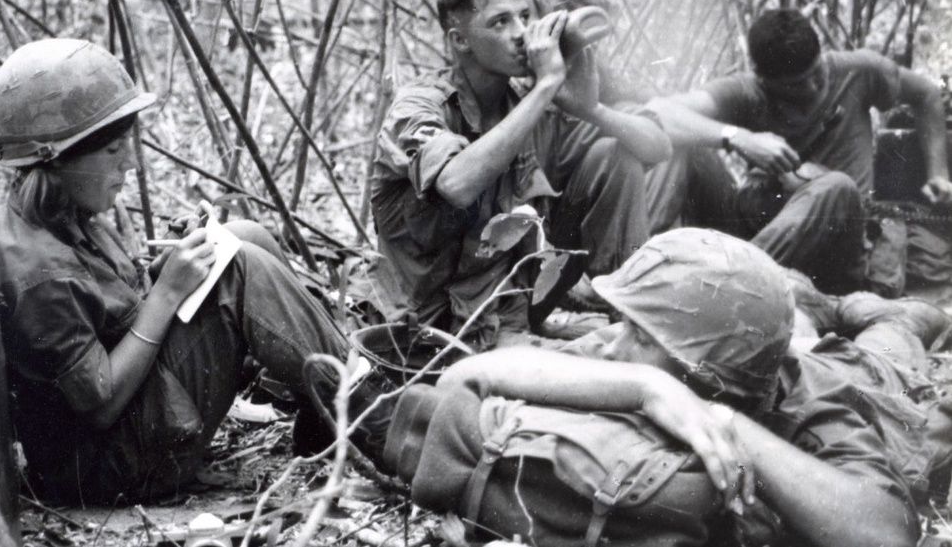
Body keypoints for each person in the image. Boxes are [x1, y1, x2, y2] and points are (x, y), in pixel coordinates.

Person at [363, 228, 949, 546]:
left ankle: (888, 308)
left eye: (637, 335)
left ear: (703, 375)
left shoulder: (823, 406)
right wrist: (645, 385)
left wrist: (729, 426)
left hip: (875, 374)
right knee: (796, 312)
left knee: (896, 330)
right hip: (763, 349)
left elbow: (884, 532)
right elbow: (467, 374)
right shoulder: (641, 355)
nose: (611, 342)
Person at [0, 38, 359, 504]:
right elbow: (100, 405)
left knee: (243, 235)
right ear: (53, 159)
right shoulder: (38, 273)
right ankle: (372, 418)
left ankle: (329, 405)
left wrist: (166, 271)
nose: (130, 163)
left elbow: (110, 312)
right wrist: (165, 295)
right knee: (240, 268)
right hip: (108, 467)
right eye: (113, 151)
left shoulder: (60, 212)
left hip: (129, 427)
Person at [371, 0, 671, 349]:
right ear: (460, 40)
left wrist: (590, 109)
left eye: (525, 17)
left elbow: (657, 148)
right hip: (425, 328)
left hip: (510, 313)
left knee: (616, 157)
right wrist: (544, 86)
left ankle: (632, 321)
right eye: (500, 22)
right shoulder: (419, 104)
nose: (521, 33)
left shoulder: (530, 106)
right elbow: (456, 185)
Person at [646, 8, 952, 294]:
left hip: (835, 250)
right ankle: (638, 273)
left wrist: (938, 172)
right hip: (762, 234)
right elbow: (658, 112)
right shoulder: (748, 91)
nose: (812, 88)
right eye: (795, 85)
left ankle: (723, 288)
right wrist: (737, 136)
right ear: (763, 78)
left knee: (835, 186)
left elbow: (925, 95)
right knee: (676, 145)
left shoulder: (858, 71)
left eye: (817, 73)